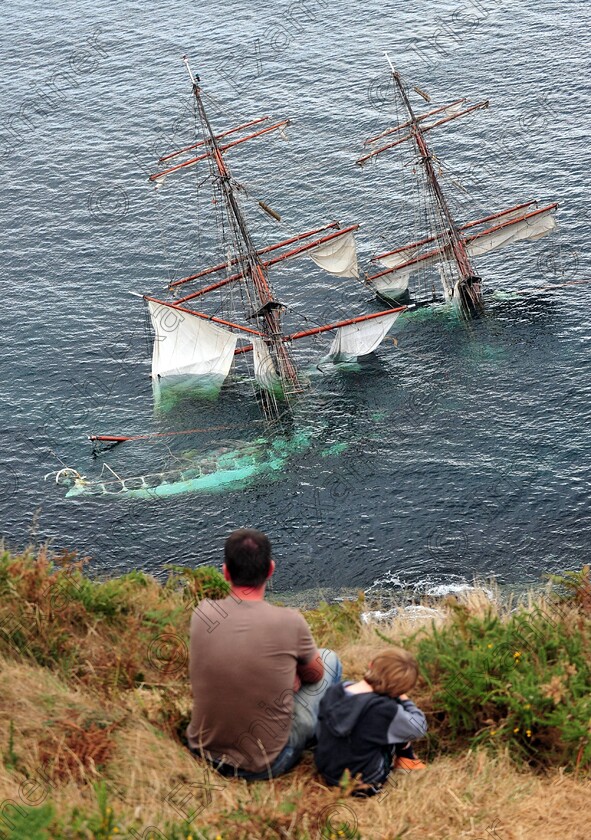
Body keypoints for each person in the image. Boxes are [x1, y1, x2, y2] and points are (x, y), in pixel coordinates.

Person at [186, 528, 342, 779]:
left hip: (204, 753)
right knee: (330, 659)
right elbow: (315, 675)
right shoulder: (289, 621)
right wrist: (289, 679)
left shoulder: (202, 613)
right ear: (270, 569)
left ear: (225, 572)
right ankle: (331, 738)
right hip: (265, 764)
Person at [314, 647, 427, 792]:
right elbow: (419, 727)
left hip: (328, 773)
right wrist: (403, 699)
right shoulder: (384, 709)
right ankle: (407, 759)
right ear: (400, 689)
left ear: (371, 664)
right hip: (364, 783)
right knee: (399, 722)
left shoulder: (335, 690)